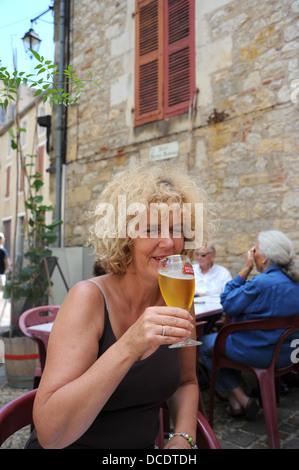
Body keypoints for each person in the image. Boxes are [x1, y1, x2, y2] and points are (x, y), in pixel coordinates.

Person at [27, 163, 211, 449]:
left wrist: (182, 437)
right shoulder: (88, 299)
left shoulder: (179, 299)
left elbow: (186, 382)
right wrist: (130, 345)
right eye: (151, 228)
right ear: (126, 238)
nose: (169, 241)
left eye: (176, 229)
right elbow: (51, 433)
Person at [199, 230, 299, 419]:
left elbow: (227, 302)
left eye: (256, 250)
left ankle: (240, 397)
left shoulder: (261, 284)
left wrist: (245, 268)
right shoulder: (295, 282)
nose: (253, 253)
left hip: (259, 353)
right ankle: (235, 402)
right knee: (221, 341)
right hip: (289, 355)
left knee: (205, 344)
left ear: (264, 257)